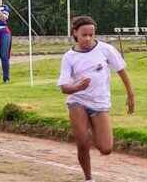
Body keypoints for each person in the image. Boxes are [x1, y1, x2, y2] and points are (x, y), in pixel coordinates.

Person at [58, 16, 135, 182]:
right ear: (75, 34)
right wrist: (77, 87)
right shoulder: (69, 57)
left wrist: (131, 94)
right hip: (77, 101)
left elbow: (121, 71)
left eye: (91, 34)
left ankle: (92, 127)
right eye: (84, 34)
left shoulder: (106, 49)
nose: (87, 38)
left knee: (106, 148)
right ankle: (88, 178)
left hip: (100, 103)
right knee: (82, 141)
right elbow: (64, 87)